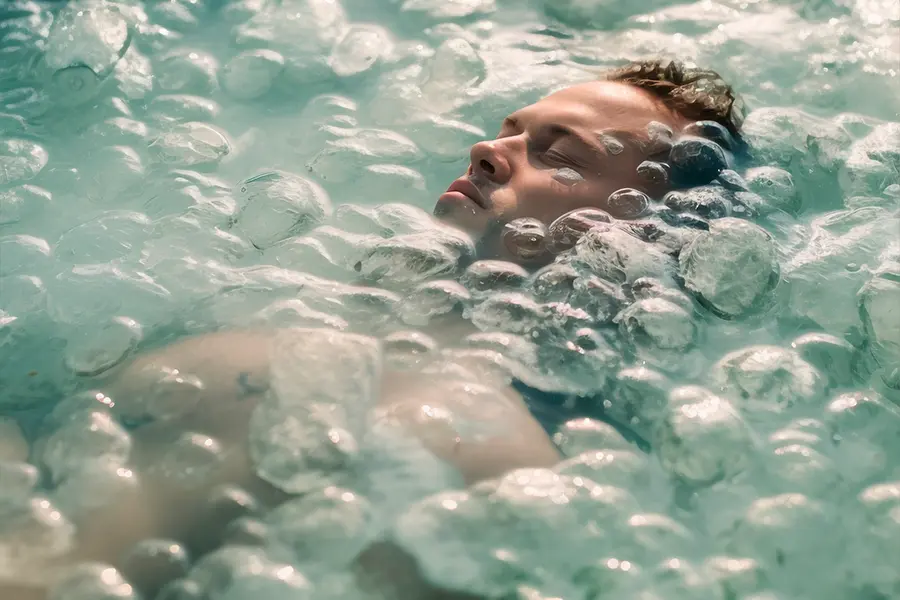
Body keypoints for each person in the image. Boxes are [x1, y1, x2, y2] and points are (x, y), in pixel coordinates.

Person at [7, 59, 744, 600]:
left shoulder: (496, 464)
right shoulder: (285, 303)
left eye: (557, 153)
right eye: (507, 132)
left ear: (641, 234)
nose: (487, 150)